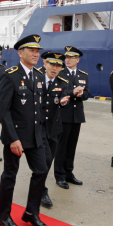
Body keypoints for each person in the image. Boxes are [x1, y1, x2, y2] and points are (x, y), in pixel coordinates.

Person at [0, 35, 49, 226]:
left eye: (37, 51)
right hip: (16, 137)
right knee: (10, 175)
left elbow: (38, 107)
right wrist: (12, 138)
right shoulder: (9, 75)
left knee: (41, 170)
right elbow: (4, 111)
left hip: (35, 135)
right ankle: (3, 215)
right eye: (32, 51)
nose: (36, 54)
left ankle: (31, 212)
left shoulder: (38, 75)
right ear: (20, 53)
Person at [38, 51, 71, 209]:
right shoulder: (35, 78)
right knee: (42, 161)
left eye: (58, 65)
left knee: (48, 160)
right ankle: (41, 190)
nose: (55, 68)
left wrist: (64, 101)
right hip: (37, 127)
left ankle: (40, 185)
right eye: (52, 64)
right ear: (45, 64)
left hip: (54, 128)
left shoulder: (62, 82)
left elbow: (64, 96)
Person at [54, 46, 90, 189]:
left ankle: (69, 173)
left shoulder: (83, 75)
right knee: (61, 147)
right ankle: (59, 175)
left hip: (77, 116)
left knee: (72, 146)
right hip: (63, 115)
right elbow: (57, 92)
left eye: (71, 58)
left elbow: (87, 93)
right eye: (66, 58)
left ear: (77, 60)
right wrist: (72, 92)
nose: (67, 60)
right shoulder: (60, 73)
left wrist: (82, 94)